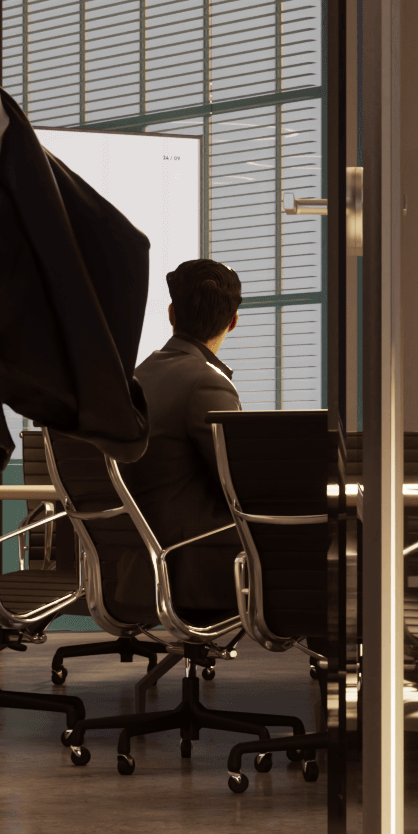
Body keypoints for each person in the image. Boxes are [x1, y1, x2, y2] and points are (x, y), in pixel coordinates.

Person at [109, 258, 247, 622]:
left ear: (171, 314)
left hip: (138, 562)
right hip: (190, 565)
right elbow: (240, 484)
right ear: (232, 322)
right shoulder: (206, 382)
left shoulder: (137, 377)